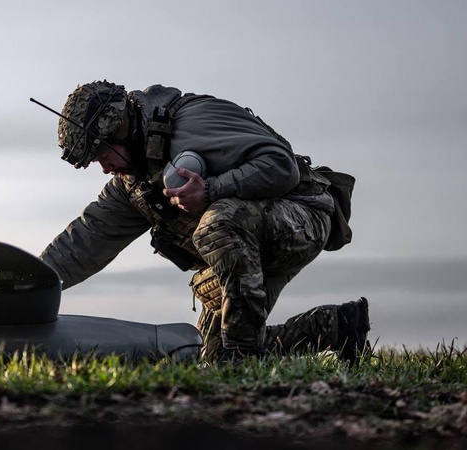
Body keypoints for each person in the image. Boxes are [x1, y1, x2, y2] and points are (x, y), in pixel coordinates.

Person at [38, 80, 370, 363]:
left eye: (102, 155)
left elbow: (282, 166)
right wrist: (26, 284)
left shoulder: (196, 121)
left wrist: (211, 190)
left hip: (303, 216)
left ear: (120, 130)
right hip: (243, 245)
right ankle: (335, 327)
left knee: (218, 225)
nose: (104, 168)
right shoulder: (131, 185)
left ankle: (243, 355)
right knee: (211, 359)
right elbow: (84, 241)